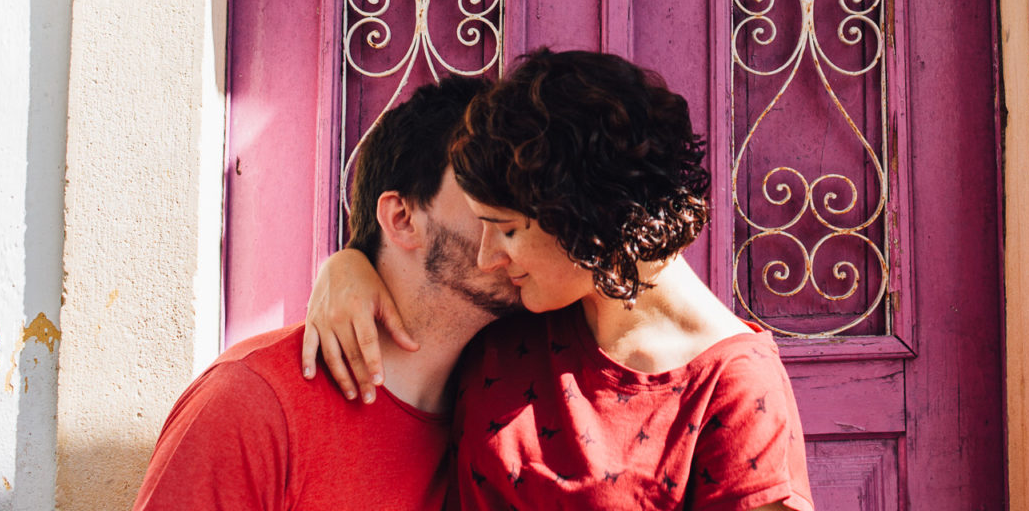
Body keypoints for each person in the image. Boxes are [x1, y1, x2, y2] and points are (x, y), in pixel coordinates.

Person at [303, 48, 815, 511]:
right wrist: (348, 265)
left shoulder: (734, 388)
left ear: (585, 217)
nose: (487, 256)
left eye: (506, 230)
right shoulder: (521, 313)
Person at [131, 74, 518, 511]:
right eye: (489, 183)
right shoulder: (251, 403)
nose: (523, 215)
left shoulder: (512, 398)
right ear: (402, 219)